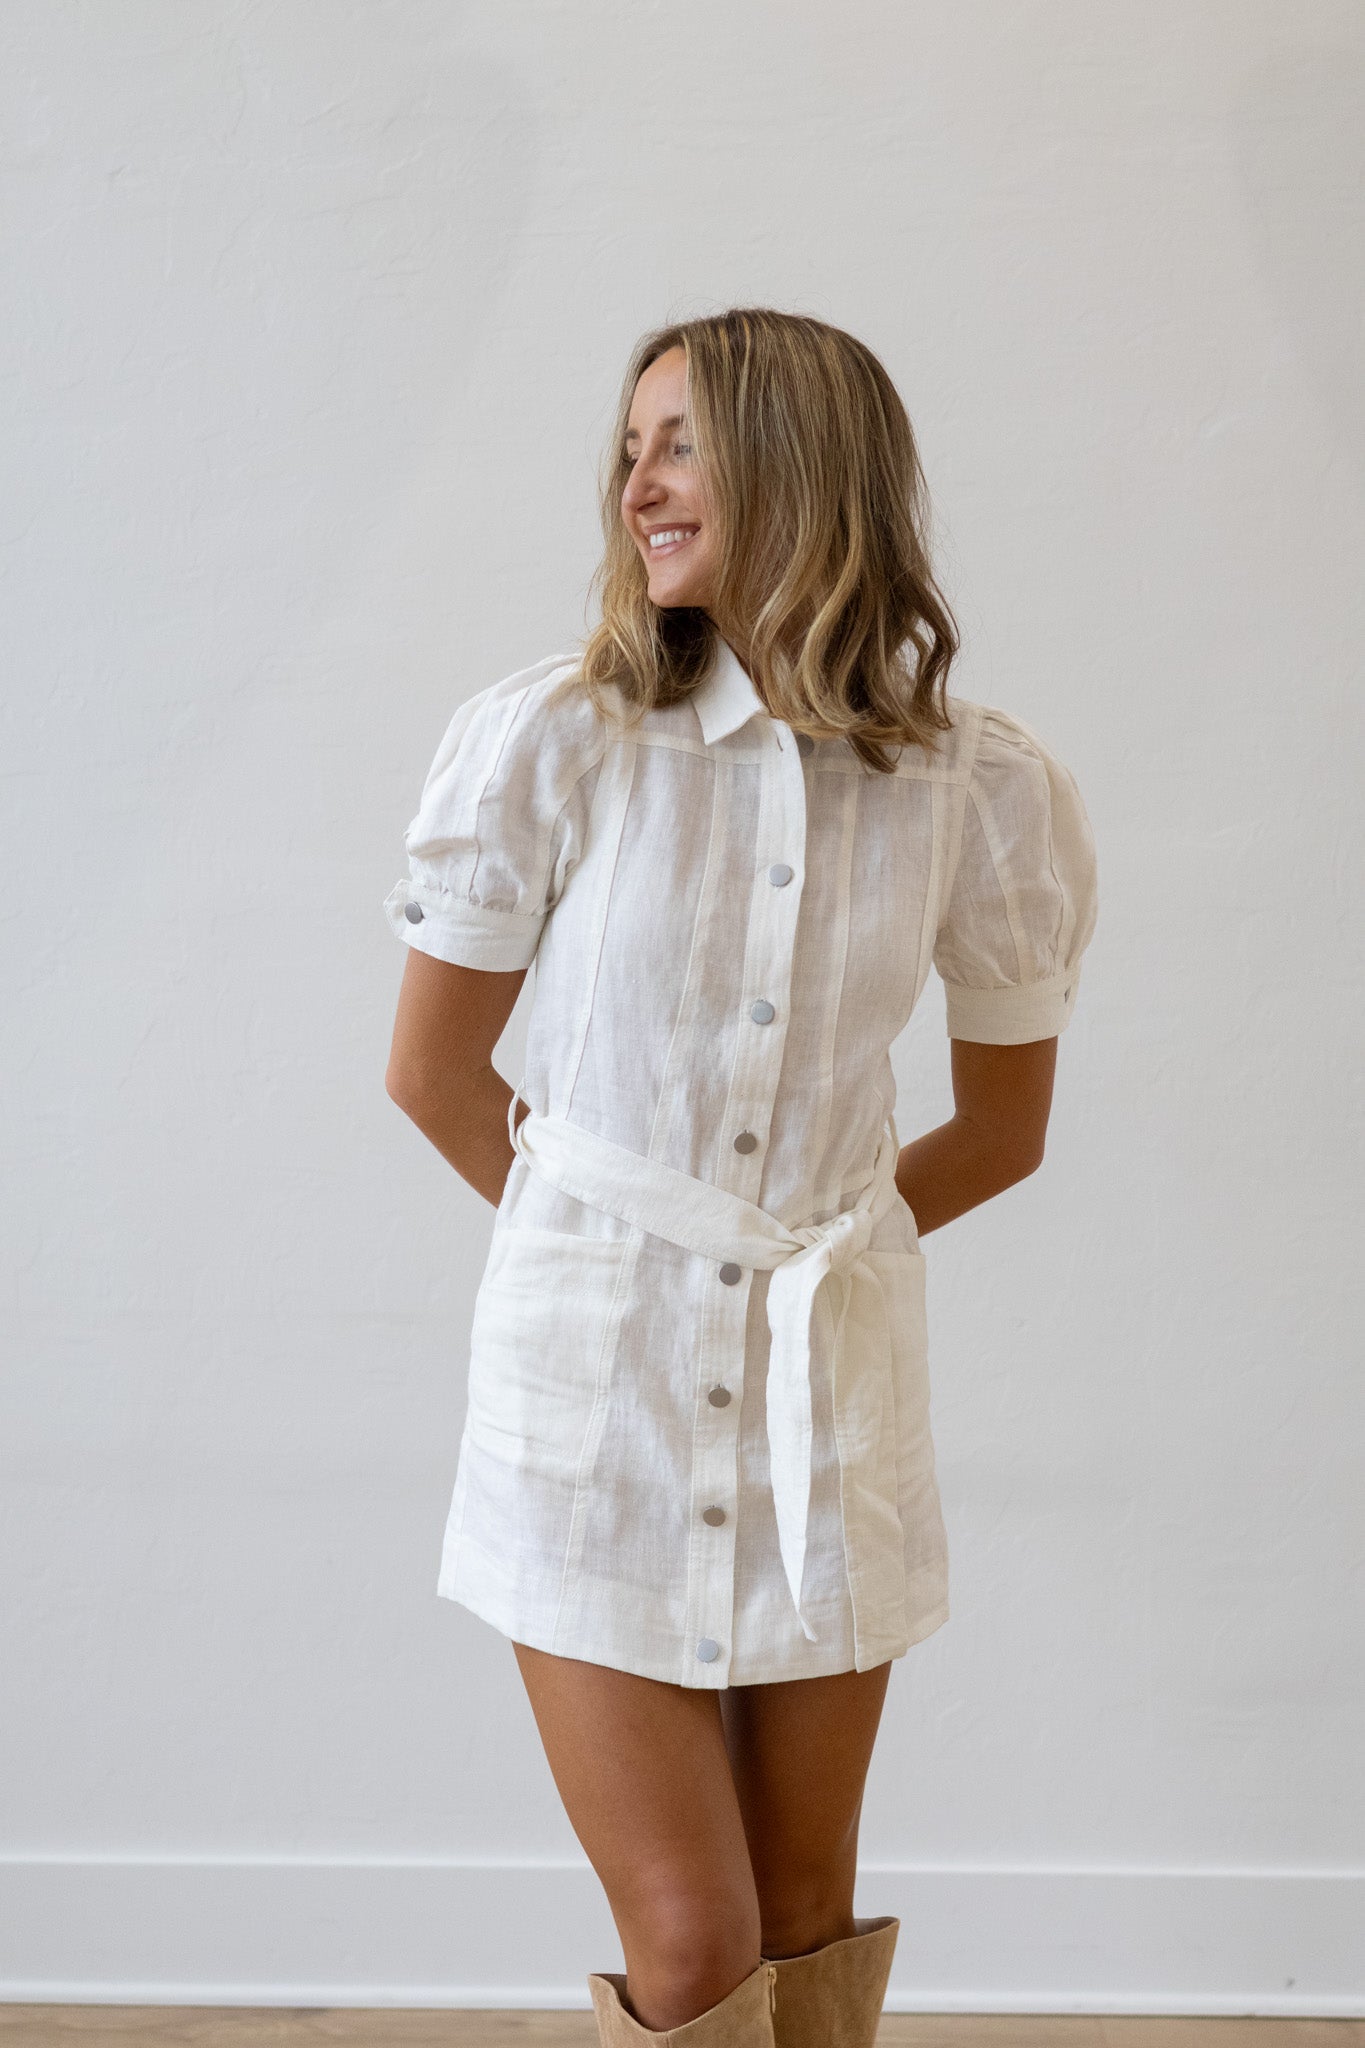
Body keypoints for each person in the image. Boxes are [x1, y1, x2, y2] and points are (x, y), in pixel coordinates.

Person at [382, 307, 1098, 2048]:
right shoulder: (554, 740)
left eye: (680, 442)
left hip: (827, 1397)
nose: (638, 484)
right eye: (629, 451)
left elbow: (1001, 1130)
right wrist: (625, 1257)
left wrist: (794, 1268)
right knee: (695, 1937)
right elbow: (433, 1076)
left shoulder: (975, 785)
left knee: (801, 1910)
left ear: (804, 461)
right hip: (591, 1394)